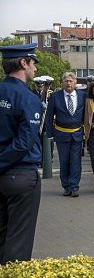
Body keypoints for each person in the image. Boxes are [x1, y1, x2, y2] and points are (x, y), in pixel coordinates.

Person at [0, 43, 42, 265]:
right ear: (23, 63)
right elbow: (24, 143)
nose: (34, 68)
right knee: (18, 243)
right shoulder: (28, 97)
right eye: (33, 63)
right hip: (21, 175)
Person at [45, 72, 86, 197]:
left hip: (77, 134)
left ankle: (74, 187)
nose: (68, 83)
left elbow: (87, 115)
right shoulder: (55, 96)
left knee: (75, 161)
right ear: (62, 83)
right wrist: (50, 134)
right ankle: (66, 187)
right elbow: (49, 116)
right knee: (64, 161)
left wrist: (86, 132)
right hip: (62, 134)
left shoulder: (83, 96)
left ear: (75, 83)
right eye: (66, 81)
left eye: (70, 81)